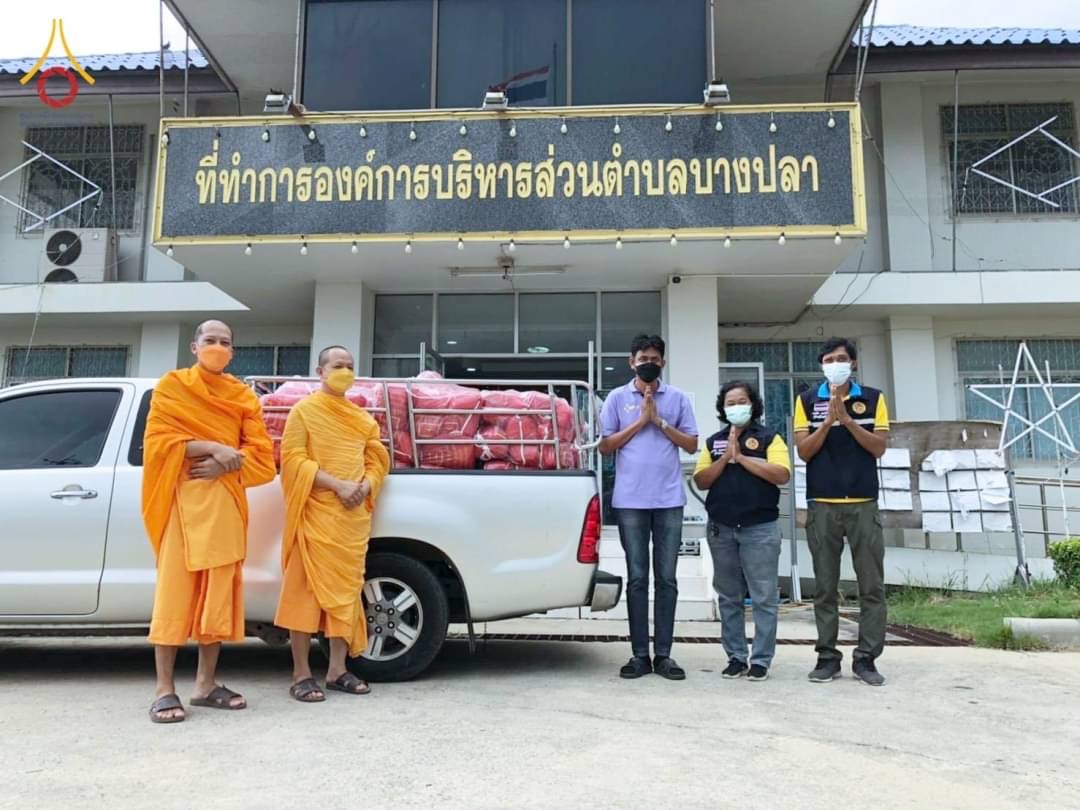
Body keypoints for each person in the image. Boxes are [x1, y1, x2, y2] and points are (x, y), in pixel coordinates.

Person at [144, 319, 276, 723]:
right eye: (210, 340)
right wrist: (216, 447)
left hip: (224, 503)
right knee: (174, 594)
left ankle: (204, 685)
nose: (217, 346)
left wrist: (224, 466)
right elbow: (157, 443)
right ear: (194, 346)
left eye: (225, 342)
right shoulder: (172, 386)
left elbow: (263, 459)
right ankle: (164, 689)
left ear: (233, 351)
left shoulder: (241, 396)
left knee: (216, 597)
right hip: (183, 503)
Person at [274, 346, 390, 702]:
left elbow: (378, 459)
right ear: (320, 371)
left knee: (346, 592)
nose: (345, 371)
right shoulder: (304, 412)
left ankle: (338, 670)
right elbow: (292, 460)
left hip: (350, 518)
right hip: (316, 512)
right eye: (338, 365)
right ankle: (301, 673)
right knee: (303, 595)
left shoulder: (361, 418)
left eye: (350, 367)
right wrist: (337, 485)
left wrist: (366, 486)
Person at [600, 334, 698, 681]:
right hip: (630, 502)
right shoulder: (615, 398)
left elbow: (691, 444)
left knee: (667, 579)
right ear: (631, 362)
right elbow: (605, 446)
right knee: (638, 578)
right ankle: (639, 654)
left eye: (655, 358)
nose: (649, 363)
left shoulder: (678, 398)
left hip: (669, 500)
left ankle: (664, 655)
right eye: (643, 357)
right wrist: (640, 422)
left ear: (663, 363)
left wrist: (659, 421)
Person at [794, 337, 890, 687]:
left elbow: (878, 448)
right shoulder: (807, 400)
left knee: (871, 586)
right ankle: (827, 656)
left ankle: (866, 658)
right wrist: (826, 422)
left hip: (863, 503)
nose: (836, 364)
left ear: (854, 364)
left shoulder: (874, 398)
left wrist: (847, 420)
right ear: (821, 366)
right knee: (824, 586)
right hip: (822, 504)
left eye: (842, 358)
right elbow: (804, 451)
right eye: (829, 359)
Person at [694, 381, 790, 682]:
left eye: (741, 401)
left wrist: (744, 458)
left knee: (763, 597)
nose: (736, 407)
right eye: (730, 403)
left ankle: (761, 660)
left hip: (760, 528)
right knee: (729, 596)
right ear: (723, 409)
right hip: (722, 528)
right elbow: (701, 480)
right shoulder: (713, 442)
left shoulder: (770, 438)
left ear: (753, 404)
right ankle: (735, 657)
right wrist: (726, 458)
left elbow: (782, 474)